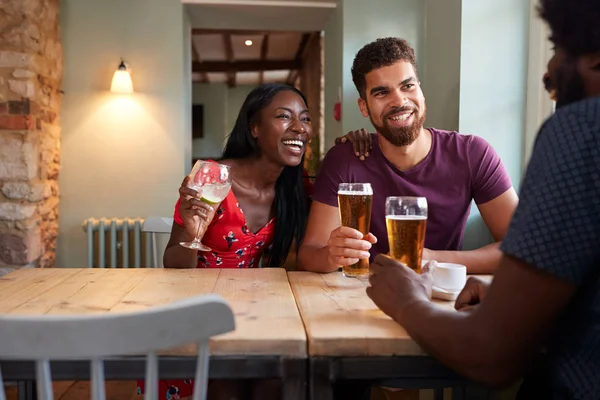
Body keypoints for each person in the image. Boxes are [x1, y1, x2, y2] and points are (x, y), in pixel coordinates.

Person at [367, 0, 600, 398]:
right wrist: (509, 298)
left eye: (559, 48)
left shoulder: (582, 131)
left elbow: (490, 357)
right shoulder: (352, 154)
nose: (547, 72)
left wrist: (406, 300)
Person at [140, 83, 370, 399]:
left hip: (256, 317)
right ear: (254, 128)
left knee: (279, 383)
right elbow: (174, 264)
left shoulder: (295, 188)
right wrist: (191, 232)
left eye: (304, 119)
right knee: (230, 386)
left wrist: (354, 145)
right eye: (283, 117)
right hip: (200, 316)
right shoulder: (210, 176)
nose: (299, 128)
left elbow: (329, 203)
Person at [298, 37, 519, 275]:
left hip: (437, 298)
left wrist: (433, 259)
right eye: (382, 92)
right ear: (364, 107)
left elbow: (522, 248)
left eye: (407, 86)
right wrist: (330, 255)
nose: (399, 101)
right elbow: (310, 254)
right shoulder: (345, 159)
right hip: (360, 293)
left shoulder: (473, 154)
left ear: (421, 91)